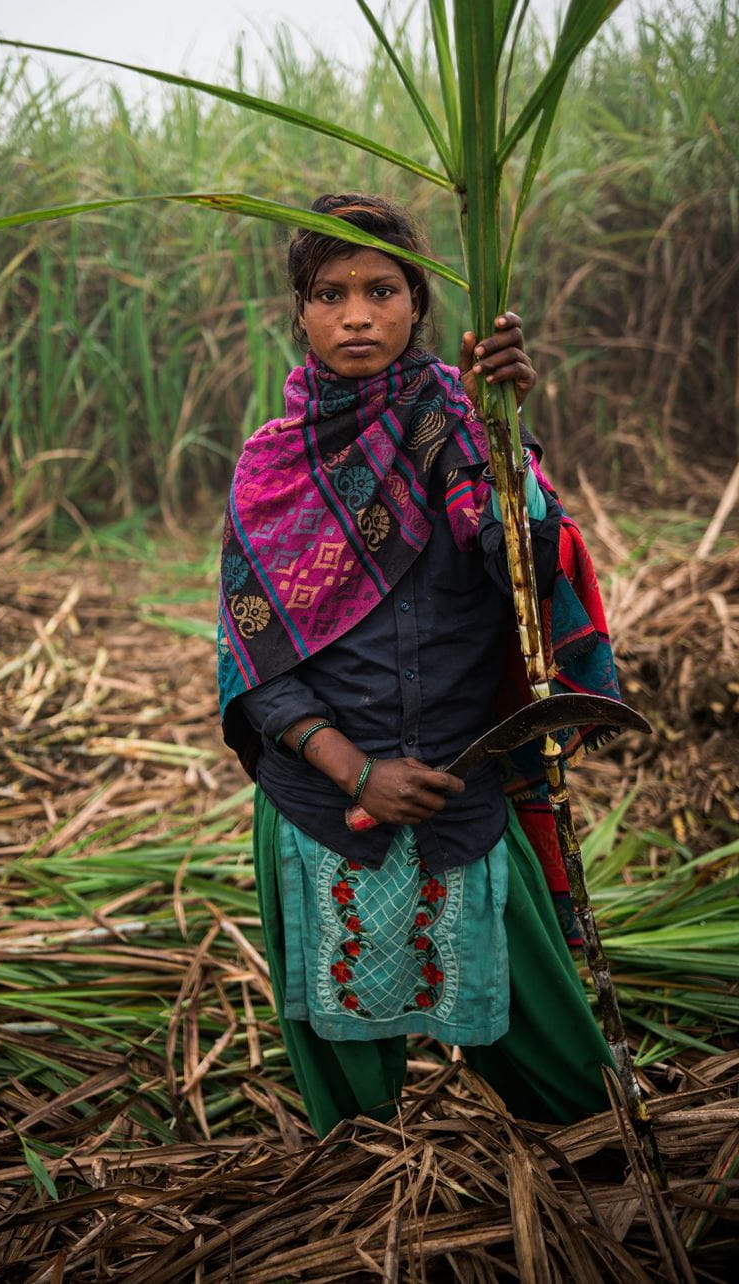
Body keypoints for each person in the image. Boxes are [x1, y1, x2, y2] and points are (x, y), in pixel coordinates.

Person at [217, 194, 617, 1137]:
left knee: (569, 1083)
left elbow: (523, 566)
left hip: (462, 798)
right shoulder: (271, 468)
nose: (357, 315)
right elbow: (254, 662)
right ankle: (366, 1202)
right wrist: (358, 772)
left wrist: (499, 421)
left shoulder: (461, 426)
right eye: (331, 294)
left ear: (417, 305)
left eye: (383, 291)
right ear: (300, 312)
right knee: (356, 1125)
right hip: (321, 813)